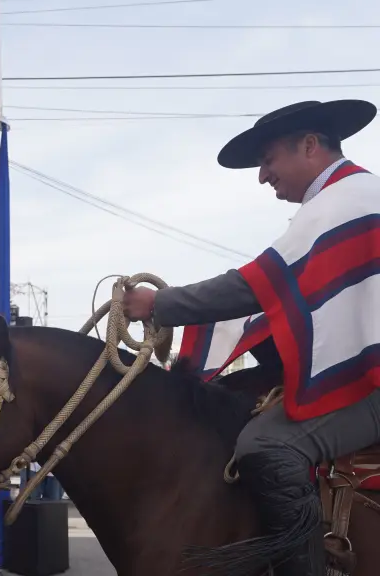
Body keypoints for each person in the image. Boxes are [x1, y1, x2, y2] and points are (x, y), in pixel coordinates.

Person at [123, 99, 380, 576]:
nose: (263, 176)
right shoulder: (352, 197)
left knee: (266, 445)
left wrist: (158, 305)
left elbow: (254, 286)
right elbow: (280, 294)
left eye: (268, 160)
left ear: (309, 145)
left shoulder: (342, 202)